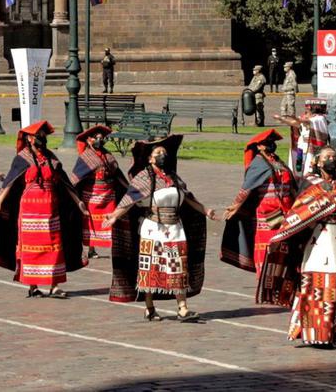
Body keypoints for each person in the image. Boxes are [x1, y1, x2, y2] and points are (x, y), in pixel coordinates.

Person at [254, 147, 336, 350]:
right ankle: (319, 333)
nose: (331, 160)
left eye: (334, 157)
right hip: (319, 242)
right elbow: (298, 211)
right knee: (320, 287)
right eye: (327, 157)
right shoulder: (308, 184)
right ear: (317, 162)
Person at [108, 135, 214, 322]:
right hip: (153, 229)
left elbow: (188, 197)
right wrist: (115, 215)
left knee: (178, 266)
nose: (162, 155)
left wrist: (206, 211)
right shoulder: (143, 177)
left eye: (164, 152)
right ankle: (149, 306)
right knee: (152, 269)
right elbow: (129, 200)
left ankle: (182, 308)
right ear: (150, 158)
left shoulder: (172, 176)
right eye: (158, 153)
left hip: (175, 228)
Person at [0, 121, 87, 296]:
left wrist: (78, 201)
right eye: (39, 135)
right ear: (29, 138)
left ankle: (55, 285)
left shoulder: (51, 158)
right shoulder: (22, 158)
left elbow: (65, 182)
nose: (42, 138)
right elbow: (10, 182)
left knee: (54, 246)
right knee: (31, 249)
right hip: (29, 212)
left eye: (44, 135)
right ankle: (33, 286)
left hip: (51, 210)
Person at [220, 128, 299, 281]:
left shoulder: (276, 160)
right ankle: (265, 280)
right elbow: (247, 188)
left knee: (286, 245)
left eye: (272, 142)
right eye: (266, 142)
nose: (270, 144)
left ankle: (282, 279)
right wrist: (236, 205)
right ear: (259, 146)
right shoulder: (258, 163)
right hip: (267, 213)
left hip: (286, 210)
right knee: (269, 246)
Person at [72, 124, 128, 260]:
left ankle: (115, 247)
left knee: (111, 220)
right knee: (91, 223)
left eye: (101, 138)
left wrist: (128, 188)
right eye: (96, 137)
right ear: (89, 140)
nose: (99, 140)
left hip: (109, 195)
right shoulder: (85, 157)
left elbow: (117, 173)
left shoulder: (108, 155)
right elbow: (75, 178)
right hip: (92, 195)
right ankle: (91, 248)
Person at [281, 98, 330, 176]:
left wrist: (297, 118)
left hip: (311, 148)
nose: (305, 113)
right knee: (299, 167)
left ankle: (308, 177)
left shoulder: (319, 119)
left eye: (307, 110)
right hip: (301, 147)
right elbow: (295, 123)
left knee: (309, 166)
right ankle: (299, 177)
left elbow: (305, 121)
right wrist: (282, 119)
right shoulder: (306, 117)